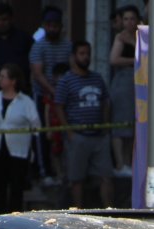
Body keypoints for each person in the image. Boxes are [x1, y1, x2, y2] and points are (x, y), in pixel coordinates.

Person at [56, 41, 114, 208]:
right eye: (82, 53)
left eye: (88, 53)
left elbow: (105, 101)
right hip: (78, 135)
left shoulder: (97, 77)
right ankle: (78, 210)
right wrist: (69, 132)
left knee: (106, 175)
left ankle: (110, 209)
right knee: (76, 178)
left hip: (98, 136)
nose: (86, 57)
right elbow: (59, 106)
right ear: (74, 56)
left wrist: (105, 125)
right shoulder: (66, 80)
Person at [0, 63, 39, 213]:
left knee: (16, 188)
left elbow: (36, 127)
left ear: (13, 81)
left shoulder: (26, 102)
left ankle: (15, 218)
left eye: (3, 76)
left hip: (18, 152)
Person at [29, 7, 71, 186]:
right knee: (44, 135)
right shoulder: (38, 46)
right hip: (44, 97)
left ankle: (63, 172)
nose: (53, 29)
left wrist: (62, 93)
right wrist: (54, 92)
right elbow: (38, 74)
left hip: (65, 98)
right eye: (49, 25)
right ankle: (44, 171)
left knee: (62, 135)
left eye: (56, 25)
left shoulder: (68, 45)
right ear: (44, 26)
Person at [108, 5, 139, 176]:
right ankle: (120, 163)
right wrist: (134, 60)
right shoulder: (121, 38)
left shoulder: (141, 35)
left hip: (137, 83)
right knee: (120, 124)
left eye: (132, 18)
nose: (129, 22)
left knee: (131, 125)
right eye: (125, 19)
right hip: (123, 82)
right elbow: (113, 59)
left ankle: (128, 162)